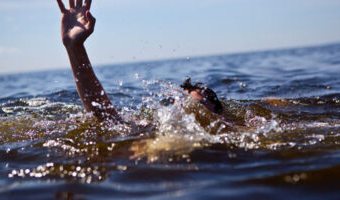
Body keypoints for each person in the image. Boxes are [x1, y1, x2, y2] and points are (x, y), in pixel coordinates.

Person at [56, 0, 223, 123]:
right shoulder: (152, 127)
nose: (187, 104)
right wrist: (74, 48)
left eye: (199, 100)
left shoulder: (226, 130)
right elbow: (106, 118)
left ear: (218, 112)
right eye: (185, 99)